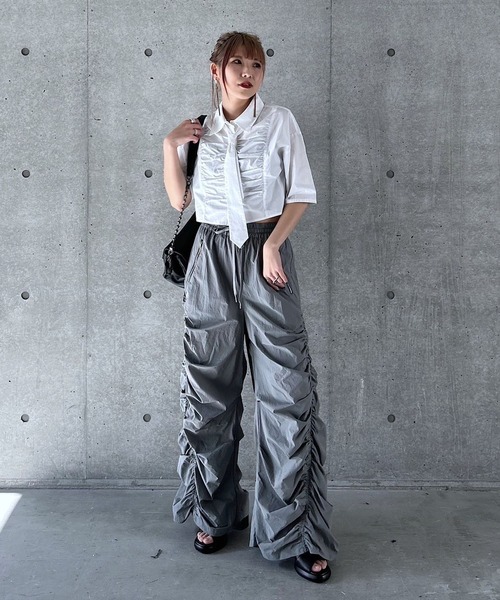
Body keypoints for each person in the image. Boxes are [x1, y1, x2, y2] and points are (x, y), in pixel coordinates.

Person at [163, 31, 339, 583]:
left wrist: (272, 244)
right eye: (237, 63)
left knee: (286, 393)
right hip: (210, 259)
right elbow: (181, 201)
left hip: (267, 256)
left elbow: (301, 192)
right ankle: (216, 512)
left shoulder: (280, 122)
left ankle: (294, 532)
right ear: (215, 70)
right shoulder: (198, 131)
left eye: (256, 65)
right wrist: (169, 146)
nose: (247, 72)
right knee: (210, 391)